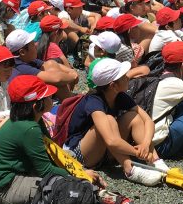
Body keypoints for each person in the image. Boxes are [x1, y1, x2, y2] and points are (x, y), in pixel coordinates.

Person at [63, 58, 165, 186]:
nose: (128, 77)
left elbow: (148, 121)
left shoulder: (120, 96)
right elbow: (111, 140)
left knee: (134, 117)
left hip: (106, 151)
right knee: (109, 120)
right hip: (83, 154)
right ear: (113, 85)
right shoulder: (94, 102)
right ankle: (130, 169)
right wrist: (138, 153)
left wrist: (145, 144)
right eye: (123, 76)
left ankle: (156, 161)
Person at [0, 75, 80, 204]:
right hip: (5, 189)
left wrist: (77, 170)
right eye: (47, 97)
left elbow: (52, 151)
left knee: (70, 157)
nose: (51, 98)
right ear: (36, 106)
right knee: (65, 188)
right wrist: (79, 176)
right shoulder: (29, 128)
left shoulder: (32, 119)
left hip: (17, 174)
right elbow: (46, 170)